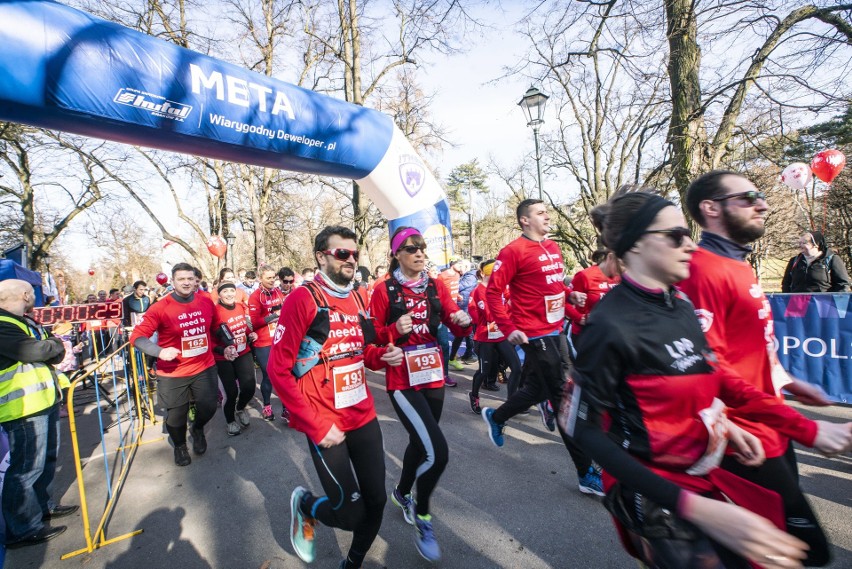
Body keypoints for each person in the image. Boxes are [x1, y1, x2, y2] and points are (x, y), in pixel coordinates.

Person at [566, 190, 852, 569]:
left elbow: (716, 380)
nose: (689, 244)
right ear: (634, 245)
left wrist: (804, 429)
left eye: (688, 233)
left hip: (702, 470)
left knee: (804, 551)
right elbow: (582, 430)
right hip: (652, 489)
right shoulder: (608, 325)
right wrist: (693, 507)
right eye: (674, 236)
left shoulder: (679, 305)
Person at [680, 170, 840, 565]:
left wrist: (788, 381)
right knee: (798, 553)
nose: (763, 203)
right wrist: (810, 429)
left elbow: (747, 347)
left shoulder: (738, 264)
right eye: (749, 197)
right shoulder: (702, 271)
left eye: (761, 195)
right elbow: (706, 368)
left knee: (790, 553)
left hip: (773, 424)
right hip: (743, 443)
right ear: (711, 208)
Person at [267, 226, 403, 569]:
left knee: (375, 502)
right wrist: (313, 424)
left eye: (354, 254)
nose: (350, 259)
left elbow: (366, 352)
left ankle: (352, 564)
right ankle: (307, 506)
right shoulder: (303, 299)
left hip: (363, 415)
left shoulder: (358, 296)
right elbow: (277, 370)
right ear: (321, 257)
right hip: (325, 421)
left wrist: (382, 356)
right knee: (350, 513)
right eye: (342, 253)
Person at [479, 199, 599, 495]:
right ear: (524, 220)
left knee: (537, 389)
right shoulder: (512, 251)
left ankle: (497, 416)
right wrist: (510, 329)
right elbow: (494, 293)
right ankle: (586, 473)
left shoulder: (553, 247)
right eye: (541, 212)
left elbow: (554, 285)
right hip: (534, 334)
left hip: (555, 330)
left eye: (548, 211)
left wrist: (570, 297)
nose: (548, 216)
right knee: (562, 399)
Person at [369, 227, 472, 563]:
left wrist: (462, 319)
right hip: (403, 381)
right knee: (438, 452)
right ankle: (424, 518)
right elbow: (370, 341)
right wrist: (392, 333)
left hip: (432, 374)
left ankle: (400, 493)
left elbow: (454, 324)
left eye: (422, 247)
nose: (419, 252)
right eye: (411, 248)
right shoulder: (383, 291)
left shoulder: (435, 284)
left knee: (419, 442)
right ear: (396, 254)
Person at [130, 263, 237, 466]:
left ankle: (197, 429)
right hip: (173, 373)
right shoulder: (160, 307)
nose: (186, 282)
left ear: (195, 280)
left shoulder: (205, 300)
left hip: (204, 367)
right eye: (181, 279)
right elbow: (137, 337)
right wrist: (160, 351)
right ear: (173, 282)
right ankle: (180, 446)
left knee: (208, 408)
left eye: (190, 278)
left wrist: (228, 345)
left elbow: (216, 326)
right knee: (176, 417)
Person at [0, 279, 78, 549]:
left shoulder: (24, 322)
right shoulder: (3, 324)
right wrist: (53, 345)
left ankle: (43, 507)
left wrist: (52, 346)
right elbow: (37, 349)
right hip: (21, 409)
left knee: (46, 461)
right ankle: (22, 528)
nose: (36, 296)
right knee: (25, 469)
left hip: (43, 401)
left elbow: (51, 351)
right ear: (24, 294)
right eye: (33, 293)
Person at [467, 259, 521, 413]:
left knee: (516, 368)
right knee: (483, 371)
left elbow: (512, 295)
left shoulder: (500, 288)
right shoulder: (479, 291)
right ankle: (474, 395)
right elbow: (491, 315)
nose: (498, 277)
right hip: (486, 337)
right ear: (484, 274)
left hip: (501, 334)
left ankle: (512, 402)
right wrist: (508, 306)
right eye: (494, 274)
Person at [213, 281, 257, 436]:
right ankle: (230, 421)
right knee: (231, 392)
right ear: (219, 295)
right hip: (223, 357)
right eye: (225, 292)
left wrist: (249, 333)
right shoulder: (215, 311)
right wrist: (222, 348)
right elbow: (211, 337)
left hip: (243, 351)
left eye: (232, 290)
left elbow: (242, 326)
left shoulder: (239, 307)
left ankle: (240, 408)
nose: (230, 294)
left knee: (249, 387)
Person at [248, 264, 287, 422]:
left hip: (279, 339)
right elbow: (255, 322)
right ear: (260, 278)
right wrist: (273, 316)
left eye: (273, 277)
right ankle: (267, 407)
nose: (272, 280)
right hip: (263, 342)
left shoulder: (278, 292)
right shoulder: (255, 296)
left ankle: (286, 408)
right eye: (268, 278)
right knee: (269, 374)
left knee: (284, 374)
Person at [569, 249, 621, 347]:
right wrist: (579, 318)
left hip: (611, 333)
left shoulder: (619, 278)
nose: (622, 270)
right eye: (620, 265)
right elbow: (564, 301)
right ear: (610, 258)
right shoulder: (585, 276)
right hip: (586, 334)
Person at [781, 230, 850, 293]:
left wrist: (834, 302)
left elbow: (843, 284)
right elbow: (786, 283)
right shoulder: (795, 261)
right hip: (797, 303)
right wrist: (787, 300)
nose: (800, 245)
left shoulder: (832, 259)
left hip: (823, 304)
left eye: (804, 243)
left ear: (816, 245)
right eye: (799, 243)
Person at [448, 260, 478, 369]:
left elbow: (459, 286)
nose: (460, 268)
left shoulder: (471, 276)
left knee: (466, 332)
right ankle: (459, 355)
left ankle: (470, 354)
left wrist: (454, 287)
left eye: (462, 266)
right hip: (462, 306)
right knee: (461, 333)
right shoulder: (467, 275)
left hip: (465, 307)